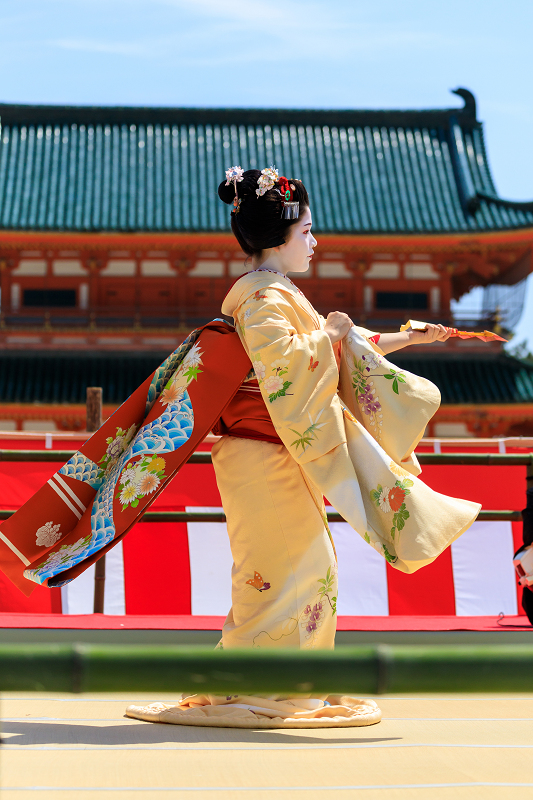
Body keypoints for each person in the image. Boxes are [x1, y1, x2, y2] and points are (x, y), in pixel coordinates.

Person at [125, 167, 480, 728]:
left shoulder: (278, 294)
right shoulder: (262, 298)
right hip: (260, 457)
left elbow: (337, 352)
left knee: (299, 571)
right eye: (308, 231)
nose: (315, 242)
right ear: (280, 236)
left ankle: (271, 683)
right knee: (286, 571)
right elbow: (284, 368)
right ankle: (266, 689)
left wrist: (407, 336)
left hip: (275, 456)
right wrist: (332, 336)